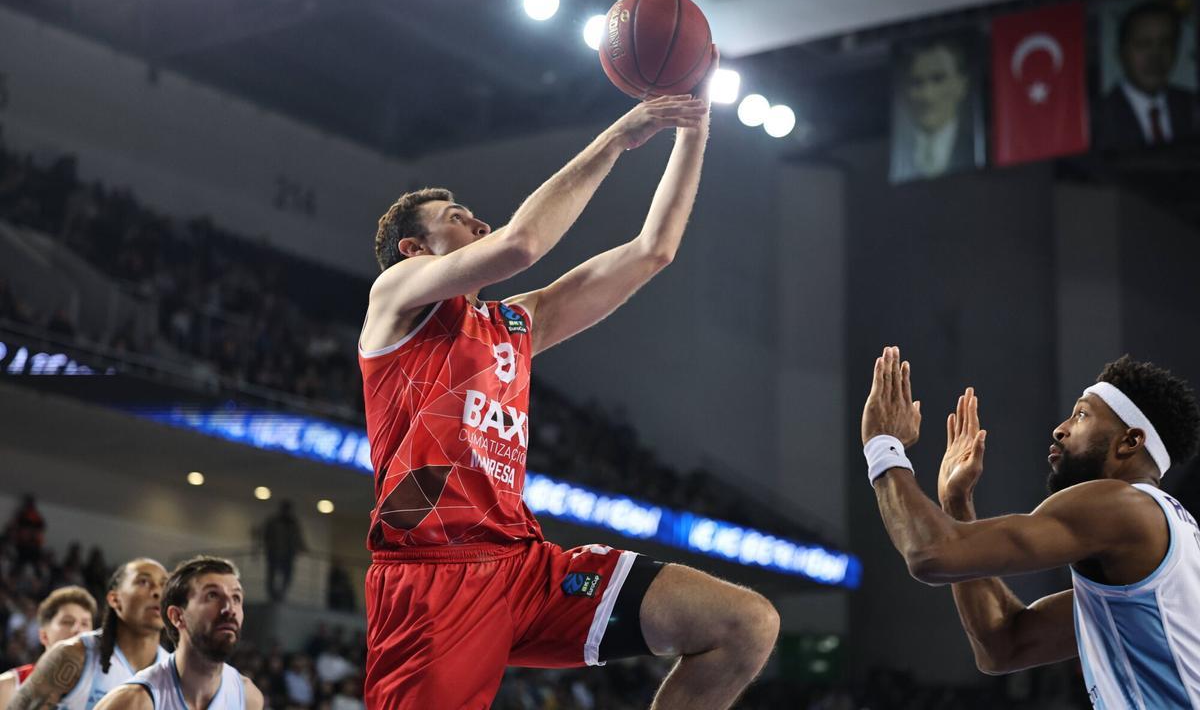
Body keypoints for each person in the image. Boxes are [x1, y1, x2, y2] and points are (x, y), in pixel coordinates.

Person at [359, 53, 780, 710]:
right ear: (414, 250)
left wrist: (693, 128)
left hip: (526, 569)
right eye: (456, 216)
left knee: (743, 625)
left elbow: (653, 250)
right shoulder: (395, 297)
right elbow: (522, 244)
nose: (478, 222)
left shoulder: (514, 324)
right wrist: (619, 137)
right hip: (435, 574)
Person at [861, 347, 1200, 705]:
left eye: (1081, 415)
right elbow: (1004, 646)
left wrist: (882, 445)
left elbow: (930, 555)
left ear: (1130, 441)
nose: (1060, 429)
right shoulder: (1166, 535)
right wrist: (957, 504)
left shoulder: (1120, 505)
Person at [94, 556, 263, 710]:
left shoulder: (248, 698)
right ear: (177, 616)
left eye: (236, 598)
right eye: (212, 595)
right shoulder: (133, 702)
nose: (229, 609)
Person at [10, 558, 170, 710]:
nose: (157, 592)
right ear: (114, 599)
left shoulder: (175, 672)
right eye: (143, 582)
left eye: (164, 585)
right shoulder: (73, 654)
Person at [1098, 0, 1198, 149]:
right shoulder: (1097, 119)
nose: (1155, 56)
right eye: (1143, 44)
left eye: (1165, 43)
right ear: (1121, 53)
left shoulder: (1193, 106)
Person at [890, 39, 978, 182]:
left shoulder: (974, 147)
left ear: (961, 85)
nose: (927, 95)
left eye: (938, 79)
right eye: (917, 82)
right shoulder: (895, 155)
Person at [0, 586, 97, 707]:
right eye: (67, 622)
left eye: (85, 623)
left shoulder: (109, 687)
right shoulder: (8, 686)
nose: (78, 630)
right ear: (44, 636)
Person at [260, 500, 305, 602]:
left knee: (287, 576)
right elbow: (266, 535)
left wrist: (301, 547)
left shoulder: (293, 523)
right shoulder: (273, 522)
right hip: (274, 553)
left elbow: (298, 537)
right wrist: (268, 546)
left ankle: (280, 594)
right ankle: (273, 594)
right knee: (272, 575)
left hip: (288, 555)